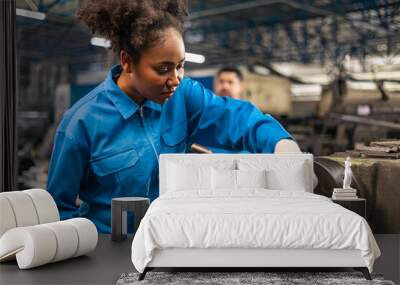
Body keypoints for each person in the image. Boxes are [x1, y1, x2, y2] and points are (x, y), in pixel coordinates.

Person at [47, 0, 300, 233]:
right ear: (127, 61)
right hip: (111, 247)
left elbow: (239, 119)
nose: (176, 78)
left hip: (172, 240)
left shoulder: (183, 97)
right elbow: (60, 209)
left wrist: (281, 143)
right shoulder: (81, 121)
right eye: (163, 69)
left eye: (180, 65)